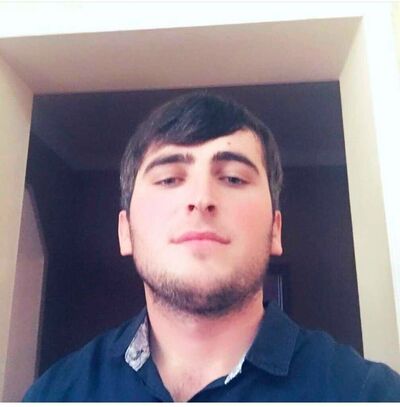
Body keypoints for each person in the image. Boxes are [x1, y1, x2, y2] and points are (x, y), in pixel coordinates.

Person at [23, 92, 400, 402]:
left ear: (275, 230)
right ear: (126, 232)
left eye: (233, 178)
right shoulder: (54, 395)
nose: (201, 198)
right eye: (169, 179)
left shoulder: (370, 394)